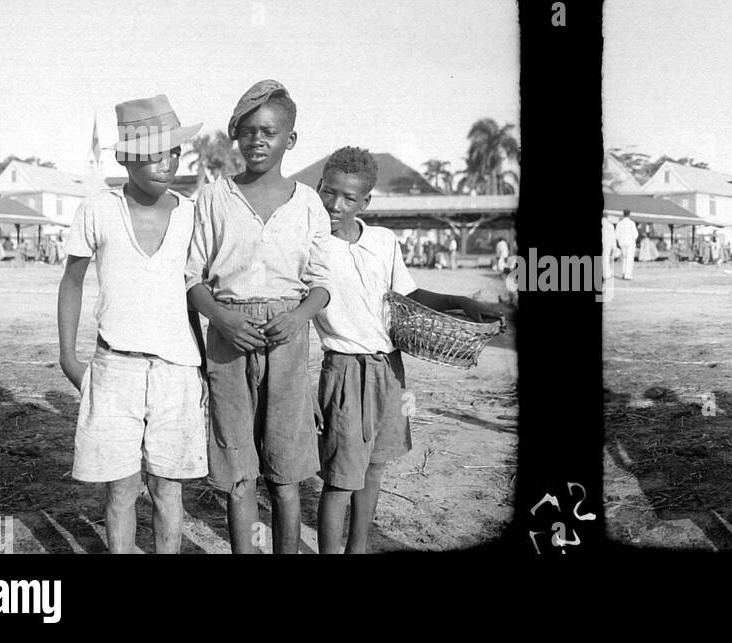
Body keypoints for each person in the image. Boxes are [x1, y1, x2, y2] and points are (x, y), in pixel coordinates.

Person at [309, 147, 504, 554]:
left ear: (366, 202)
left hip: (390, 370)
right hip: (345, 369)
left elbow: (409, 293)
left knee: (375, 467)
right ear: (318, 187)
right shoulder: (310, 246)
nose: (334, 205)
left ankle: (358, 547)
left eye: (348, 198)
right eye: (328, 192)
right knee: (341, 478)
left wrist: (465, 302)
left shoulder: (383, 241)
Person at [185, 80, 332, 554]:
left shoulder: (308, 203)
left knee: (285, 469)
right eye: (247, 131)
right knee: (238, 468)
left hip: (287, 337)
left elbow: (323, 282)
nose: (256, 141)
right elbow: (192, 278)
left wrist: (297, 318)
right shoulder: (214, 197)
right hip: (228, 338)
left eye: (268, 132)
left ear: (289, 139)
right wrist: (221, 319)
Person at [56, 94, 207, 553]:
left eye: (175, 152)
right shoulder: (99, 209)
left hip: (176, 371)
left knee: (167, 488)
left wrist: (199, 366)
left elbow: (192, 295)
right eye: (155, 154)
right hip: (114, 367)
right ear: (127, 158)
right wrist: (69, 358)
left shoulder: (191, 215)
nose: (167, 164)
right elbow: (72, 282)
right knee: (121, 490)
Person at [615, 210, 638, 280]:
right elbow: (635, 234)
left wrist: (619, 242)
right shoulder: (631, 223)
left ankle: (623, 273)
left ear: (623, 214)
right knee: (629, 259)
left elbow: (616, 235)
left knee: (624, 259)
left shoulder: (619, 223)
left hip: (622, 243)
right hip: (630, 243)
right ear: (629, 214)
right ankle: (627, 275)